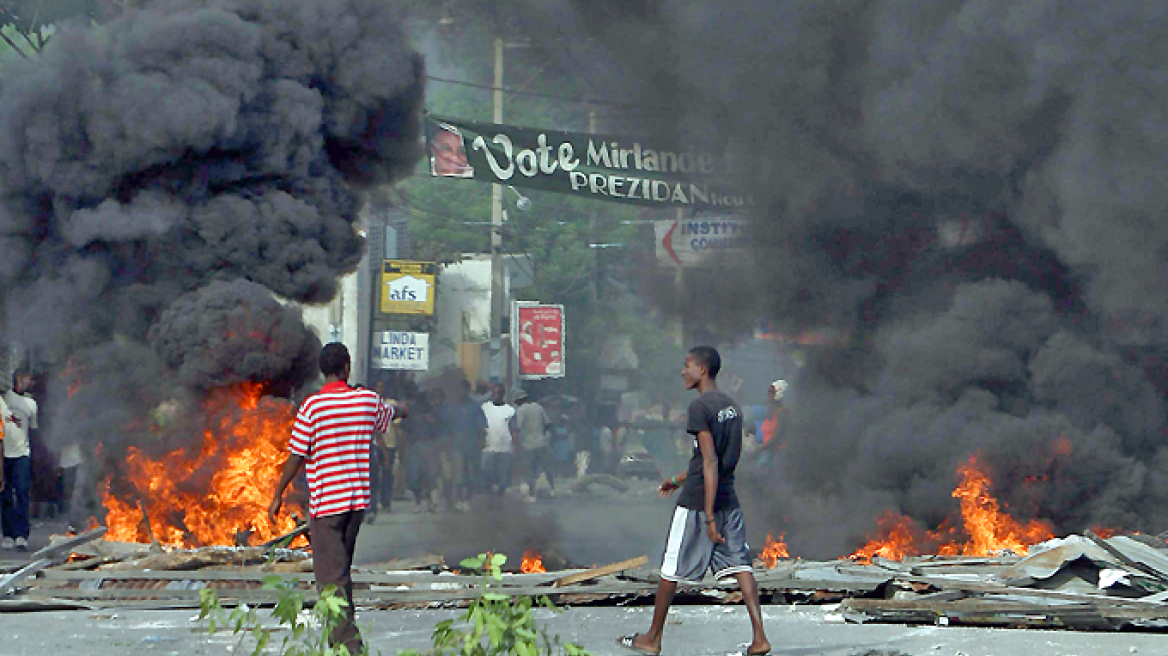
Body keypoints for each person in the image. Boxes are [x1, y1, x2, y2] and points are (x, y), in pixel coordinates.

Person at [618, 346, 770, 656]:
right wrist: (676, 480)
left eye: (687, 365)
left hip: (700, 504)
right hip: (729, 498)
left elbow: (710, 462)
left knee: (670, 568)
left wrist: (710, 517)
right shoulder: (732, 407)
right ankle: (760, 638)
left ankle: (653, 639)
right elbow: (719, 461)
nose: (682, 371)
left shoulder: (700, 408)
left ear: (703, 370)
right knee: (742, 565)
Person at [269, 343, 408, 655]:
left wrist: (278, 494)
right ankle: (339, 642)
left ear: (323, 371)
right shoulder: (367, 401)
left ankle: (350, 646)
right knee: (340, 573)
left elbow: (296, 456)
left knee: (331, 580)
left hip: (327, 508)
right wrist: (400, 407)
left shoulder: (312, 407)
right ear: (346, 368)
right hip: (355, 505)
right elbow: (391, 414)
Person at [2, 370, 38, 550]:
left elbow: (33, 432)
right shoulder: (4, 400)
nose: (30, 382)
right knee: (5, 494)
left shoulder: (31, 404)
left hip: (22, 454)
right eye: (28, 378)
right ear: (19, 378)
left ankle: (22, 534)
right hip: (3, 454)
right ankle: (7, 534)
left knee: (22, 492)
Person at [441, 380, 487, 511]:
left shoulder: (475, 407)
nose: (461, 393)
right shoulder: (451, 407)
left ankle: (468, 498)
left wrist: (481, 441)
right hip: (457, 446)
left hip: (472, 445)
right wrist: (446, 444)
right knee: (459, 473)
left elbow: (481, 426)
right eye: (459, 390)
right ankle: (461, 499)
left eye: (463, 390)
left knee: (471, 474)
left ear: (467, 391)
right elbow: (446, 427)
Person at [366, 382, 401, 522]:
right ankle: (369, 508)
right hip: (374, 446)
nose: (380, 389)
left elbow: (397, 426)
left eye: (382, 387)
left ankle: (384, 502)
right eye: (377, 387)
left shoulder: (390, 404)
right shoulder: (368, 405)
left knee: (386, 474)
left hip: (389, 444)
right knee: (371, 478)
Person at [514, 390, 554, 501]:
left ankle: (532, 494)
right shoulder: (538, 407)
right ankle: (552, 489)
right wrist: (543, 435)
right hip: (541, 443)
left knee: (529, 469)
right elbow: (548, 424)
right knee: (546, 467)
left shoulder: (521, 410)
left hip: (528, 445)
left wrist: (516, 444)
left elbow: (517, 428)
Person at [480, 383, 517, 495]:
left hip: (505, 448)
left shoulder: (510, 410)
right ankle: (489, 502)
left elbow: (513, 430)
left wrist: (516, 448)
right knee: (487, 477)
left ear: (503, 394)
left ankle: (500, 505)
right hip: (488, 448)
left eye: (499, 393)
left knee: (503, 480)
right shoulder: (484, 408)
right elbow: (479, 426)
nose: (497, 395)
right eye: (495, 393)